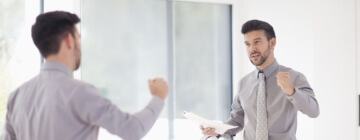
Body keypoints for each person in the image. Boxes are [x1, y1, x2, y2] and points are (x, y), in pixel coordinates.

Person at [1, 11, 168, 140]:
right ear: (69, 40)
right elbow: (132, 129)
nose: (79, 45)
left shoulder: (17, 97)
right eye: (78, 38)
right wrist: (158, 98)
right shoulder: (80, 92)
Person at [201, 19, 320, 140]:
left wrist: (292, 91)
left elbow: (314, 111)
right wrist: (218, 130)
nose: (252, 49)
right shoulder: (244, 83)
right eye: (247, 44)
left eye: (257, 42)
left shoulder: (293, 77)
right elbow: (237, 120)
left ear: (272, 43)